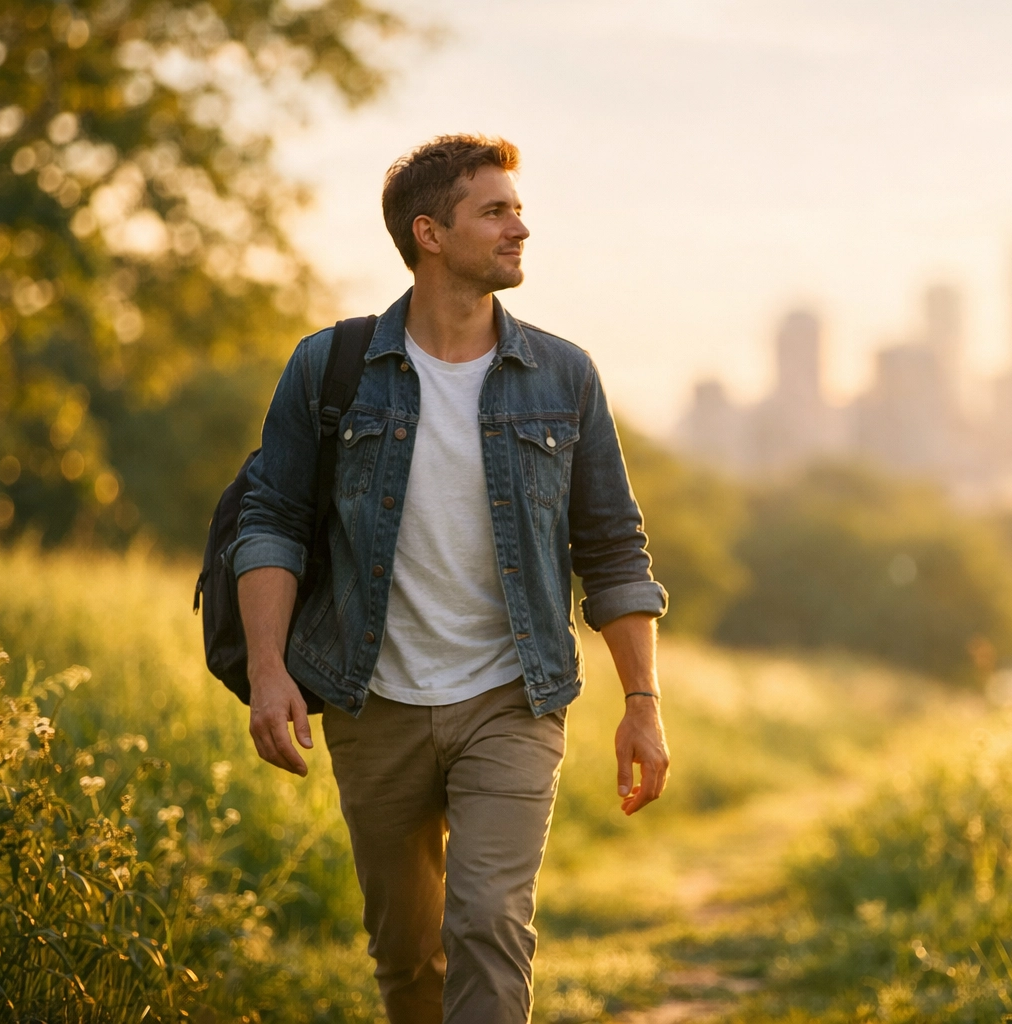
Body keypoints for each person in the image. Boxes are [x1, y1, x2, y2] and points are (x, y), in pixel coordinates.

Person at [226, 134, 670, 1024]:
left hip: (513, 694)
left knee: (488, 921)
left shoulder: (563, 374)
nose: (522, 228)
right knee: (407, 953)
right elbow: (268, 519)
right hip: (368, 696)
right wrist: (269, 673)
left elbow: (613, 547)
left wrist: (642, 701)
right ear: (429, 233)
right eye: (496, 211)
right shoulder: (332, 368)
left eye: (518, 207)